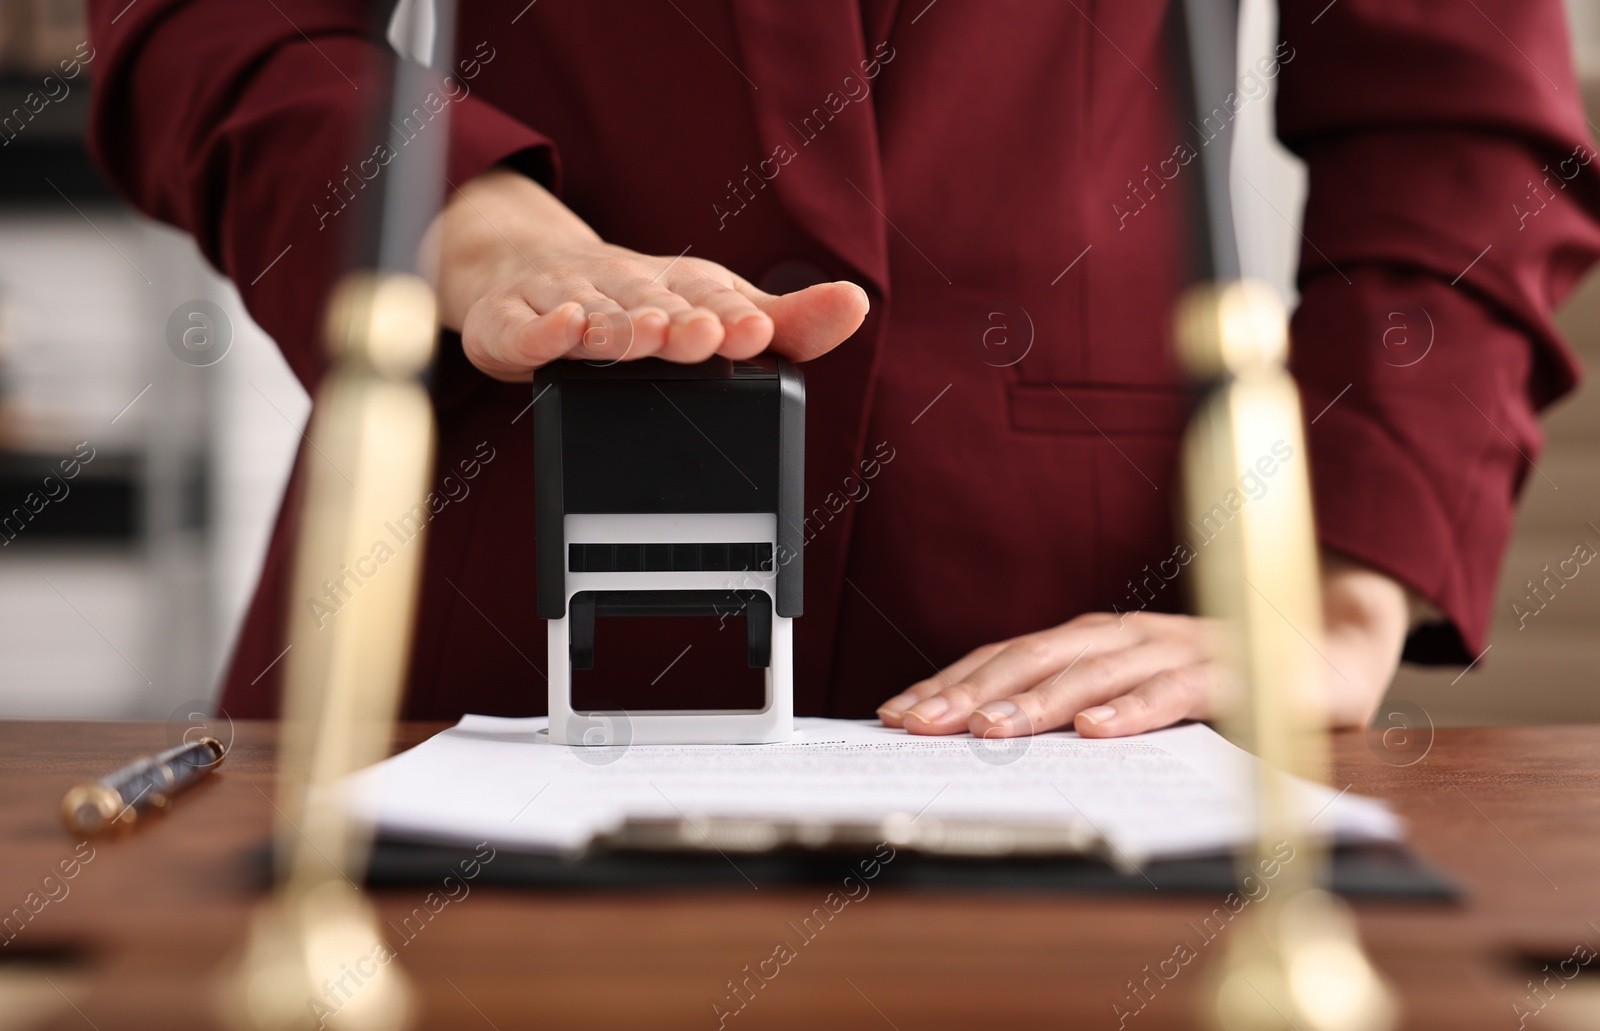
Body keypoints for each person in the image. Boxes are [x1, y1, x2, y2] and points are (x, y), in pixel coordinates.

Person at [87, 0, 1600, 739]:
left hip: (1088, 643)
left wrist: (1344, 589)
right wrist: (460, 217)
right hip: (479, 572)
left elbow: (1459, 122)